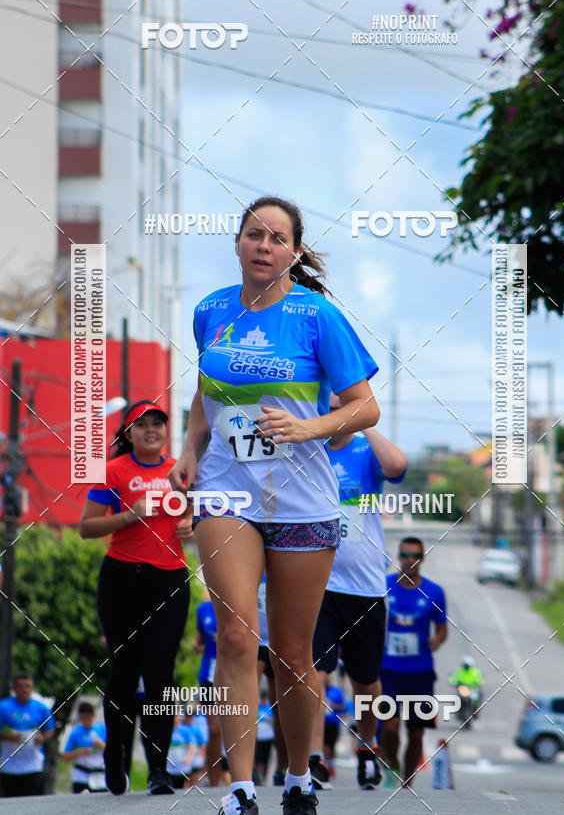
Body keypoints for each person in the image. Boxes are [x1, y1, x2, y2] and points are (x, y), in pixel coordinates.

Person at [169, 195, 380, 815]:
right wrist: (189, 448)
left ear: (294, 251)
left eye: (277, 238)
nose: (264, 246)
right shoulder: (210, 311)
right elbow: (206, 390)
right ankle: (239, 788)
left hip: (302, 499)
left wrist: (306, 428)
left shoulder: (318, 316)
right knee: (237, 635)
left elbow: (364, 407)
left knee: (292, 652)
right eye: (253, 234)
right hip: (226, 492)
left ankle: (296, 777)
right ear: (237, 242)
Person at [80, 400, 193, 795]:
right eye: (142, 424)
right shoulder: (114, 471)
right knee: (124, 673)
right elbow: (87, 527)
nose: (152, 430)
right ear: (128, 433)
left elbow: (199, 514)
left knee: (161, 675)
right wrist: (129, 515)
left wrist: (192, 523)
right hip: (121, 580)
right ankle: (116, 759)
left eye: (158, 423)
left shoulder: (180, 470)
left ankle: (158, 770)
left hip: (169, 580)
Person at [311, 395, 407, 790]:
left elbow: (397, 466)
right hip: (317, 582)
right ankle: (314, 757)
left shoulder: (366, 451)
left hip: (365, 585)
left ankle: (367, 747)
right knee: (313, 671)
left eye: (342, 407)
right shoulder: (310, 450)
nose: (334, 414)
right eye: (329, 406)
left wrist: (363, 422)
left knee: (365, 681)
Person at [380, 537, 448, 789]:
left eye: (415, 556)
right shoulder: (383, 586)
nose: (410, 561)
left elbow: (442, 629)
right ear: (399, 557)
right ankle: (392, 765)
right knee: (389, 727)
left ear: (423, 559)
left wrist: (436, 640)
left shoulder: (434, 592)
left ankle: (407, 782)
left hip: (420, 672)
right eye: (406, 555)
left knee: (416, 732)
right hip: (388, 670)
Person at [0, 672, 55, 797]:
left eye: (27, 686)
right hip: (9, 765)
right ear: (14, 688)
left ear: (32, 688)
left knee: (31, 802)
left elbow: (50, 730)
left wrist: (42, 738)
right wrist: (9, 737)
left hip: (33, 765)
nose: (24, 690)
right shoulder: (3, 707)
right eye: (20, 686)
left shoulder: (41, 708)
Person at [256, 572, 287, 785]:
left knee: (281, 708)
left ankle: (282, 768)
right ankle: (248, 769)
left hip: (279, 642)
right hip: (255, 642)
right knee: (248, 703)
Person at [194, 597, 229, 786]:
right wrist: (196, 645)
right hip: (209, 674)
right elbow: (199, 639)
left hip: (232, 673)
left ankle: (242, 777)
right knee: (214, 730)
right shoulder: (203, 609)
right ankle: (214, 783)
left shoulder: (234, 604)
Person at [62, 701, 107, 793]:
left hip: (99, 776)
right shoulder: (75, 732)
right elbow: (65, 757)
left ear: (93, 716)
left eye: (88, 718)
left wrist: (101, 745)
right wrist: (81, 752)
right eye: (83, 719)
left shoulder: (102, 729)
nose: (86, 722)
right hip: (81, 775)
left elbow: (113, 753)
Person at [166, 712, 197, 789]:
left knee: (183, 786)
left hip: (183, 766)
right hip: (170, 766)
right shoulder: (166, 730)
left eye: (176, 716)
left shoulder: (185, 731)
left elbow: (192, 747)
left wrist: (188, 758)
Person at [254, 691, 274, 784]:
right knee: (259, 759)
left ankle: (264, 777)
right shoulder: (257, 706)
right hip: (259, 737)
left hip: (268, 737)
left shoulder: (269, 707)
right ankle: (259, 777)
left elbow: (273, 720)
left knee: (266, 758)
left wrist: (267, 719)